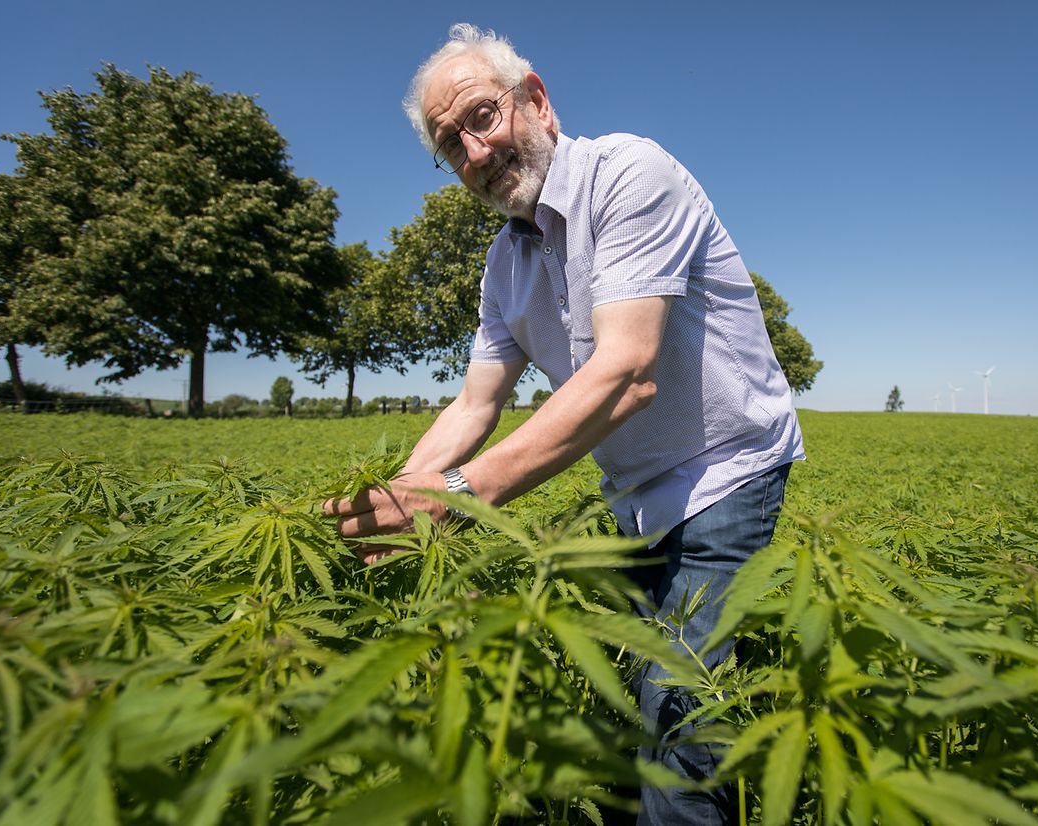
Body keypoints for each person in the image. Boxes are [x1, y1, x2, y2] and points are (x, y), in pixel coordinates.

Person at [321, 23, 805, 825]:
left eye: (481, 118)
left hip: (726, 469)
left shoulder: (630, 175)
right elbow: (475, 403)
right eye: (450, 144)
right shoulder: (504, 262)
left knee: (679, 711)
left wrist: (455, 494)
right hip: (632, 496)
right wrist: (400, 493)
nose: (475, 153)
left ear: (535, 100)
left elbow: (626, 375)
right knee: (620, 700)